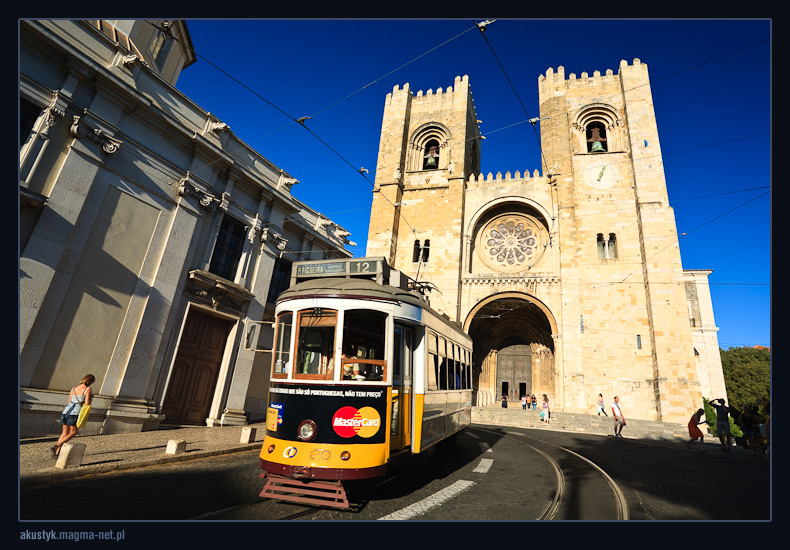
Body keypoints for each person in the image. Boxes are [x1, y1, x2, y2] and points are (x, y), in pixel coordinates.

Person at [52, 374, 95, 459]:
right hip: (75, 413)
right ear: (90, 381)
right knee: (73, 432)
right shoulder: (87, 389)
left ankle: (56, 453)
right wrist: (91, 397)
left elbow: (69, 401)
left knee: (64, 433)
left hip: (66, 411)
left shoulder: (73, 389)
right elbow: (86, 403)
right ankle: (56, 446)